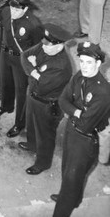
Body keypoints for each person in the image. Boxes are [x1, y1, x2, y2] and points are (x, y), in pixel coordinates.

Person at [51, 42, 110, 217]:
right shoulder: (79, 76)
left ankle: (63, 208)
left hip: (86, 140)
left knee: (71, 179)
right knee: (66, 169)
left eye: (89, 62)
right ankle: (73, 199)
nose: (84, 66)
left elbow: (85, 124)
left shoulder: (103, 92)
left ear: (98, 64)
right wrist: (78, 111)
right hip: (71, 130)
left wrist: (73, 111)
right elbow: (62, 100)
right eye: (82, 61)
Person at [20, 24, 73, 175]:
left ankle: (43, 163)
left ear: (59, 46)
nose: (43, 47)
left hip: (47, 104)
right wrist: (35, 72)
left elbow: (42, 87)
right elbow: (25, 55)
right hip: (33, 95)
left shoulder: (61, 66)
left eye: (48, 46)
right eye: (44, 43)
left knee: (45, 135)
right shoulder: (45, 45)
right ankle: (32, 144)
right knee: (30, 123)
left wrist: (34, 67)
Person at [0, 0, 44, 139]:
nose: (13, 11)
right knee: (5, 83)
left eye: (17, 9)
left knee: (21, 92)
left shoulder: (33, 24)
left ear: (26, 9)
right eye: (12, 7)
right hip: (5, 54)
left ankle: (19, 124)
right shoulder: (6, 12)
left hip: (21, 61)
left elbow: (39, 47)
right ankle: (6, 106)